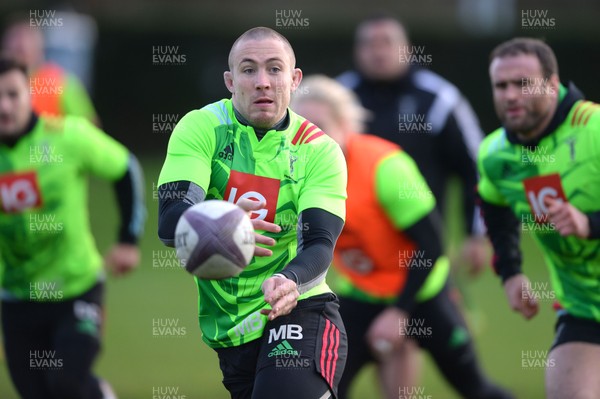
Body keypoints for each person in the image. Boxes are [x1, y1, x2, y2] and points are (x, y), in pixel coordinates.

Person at [291, 75, 513, 399]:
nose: (311, 137)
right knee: (323, 388)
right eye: (303, 127)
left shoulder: (385, 166)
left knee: (475, 388)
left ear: (346, 125)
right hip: (360, 294)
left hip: (421, 292)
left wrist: (399, 312)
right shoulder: (297, 171)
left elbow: (433, 244)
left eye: (321, 125)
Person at [157, 27, 348, 399]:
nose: (262, 82)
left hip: (299, 305)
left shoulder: (320, 151)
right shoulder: (202, 128)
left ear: (295, 81)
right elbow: (170, 222)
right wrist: (220, 219)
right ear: (230, 81)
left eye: (275, 69)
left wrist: (290, 279)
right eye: (248, 70)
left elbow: (320, 244)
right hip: (229, 330)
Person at [0, 57, 145, 398]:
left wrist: (128, 239)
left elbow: (125, 167)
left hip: (77, 288)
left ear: (29, 94)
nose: (3, 107)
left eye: (12, 94)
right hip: (17, 296)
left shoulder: (68, 136)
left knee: (66, 383)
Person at [478, 37, 600, 399]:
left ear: (552, 83)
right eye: (501, 86)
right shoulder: (495, 155)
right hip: (583, 309)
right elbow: (494, 208)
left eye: (523, 83)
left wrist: (590, 224)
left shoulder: (593, 129)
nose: (511, 95)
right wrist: (511, 271)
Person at [337, 15, 488, 277]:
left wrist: (475, 233)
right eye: (369, 44)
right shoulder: (339, 97)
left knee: (440, 313)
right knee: (355, 315)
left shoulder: (438, 99)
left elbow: (475, 165)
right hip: (358, 251)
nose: (378, 52)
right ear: (357, 51)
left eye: (387, 42)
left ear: (407, 48)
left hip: (424, 243)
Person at [2, 18, 99, 124]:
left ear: (40, 48)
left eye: (24, 46)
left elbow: (90, 128)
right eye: (16, 46)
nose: (21, 45)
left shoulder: (62, 83)